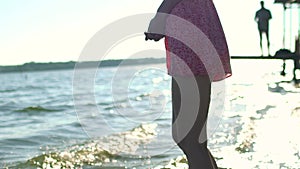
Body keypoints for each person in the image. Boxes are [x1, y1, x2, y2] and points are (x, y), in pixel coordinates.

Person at [145, 0, 232, 168]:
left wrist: (159, 19)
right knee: (188, 138)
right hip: (192, 38)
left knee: (189, 139)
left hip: (190, 44)